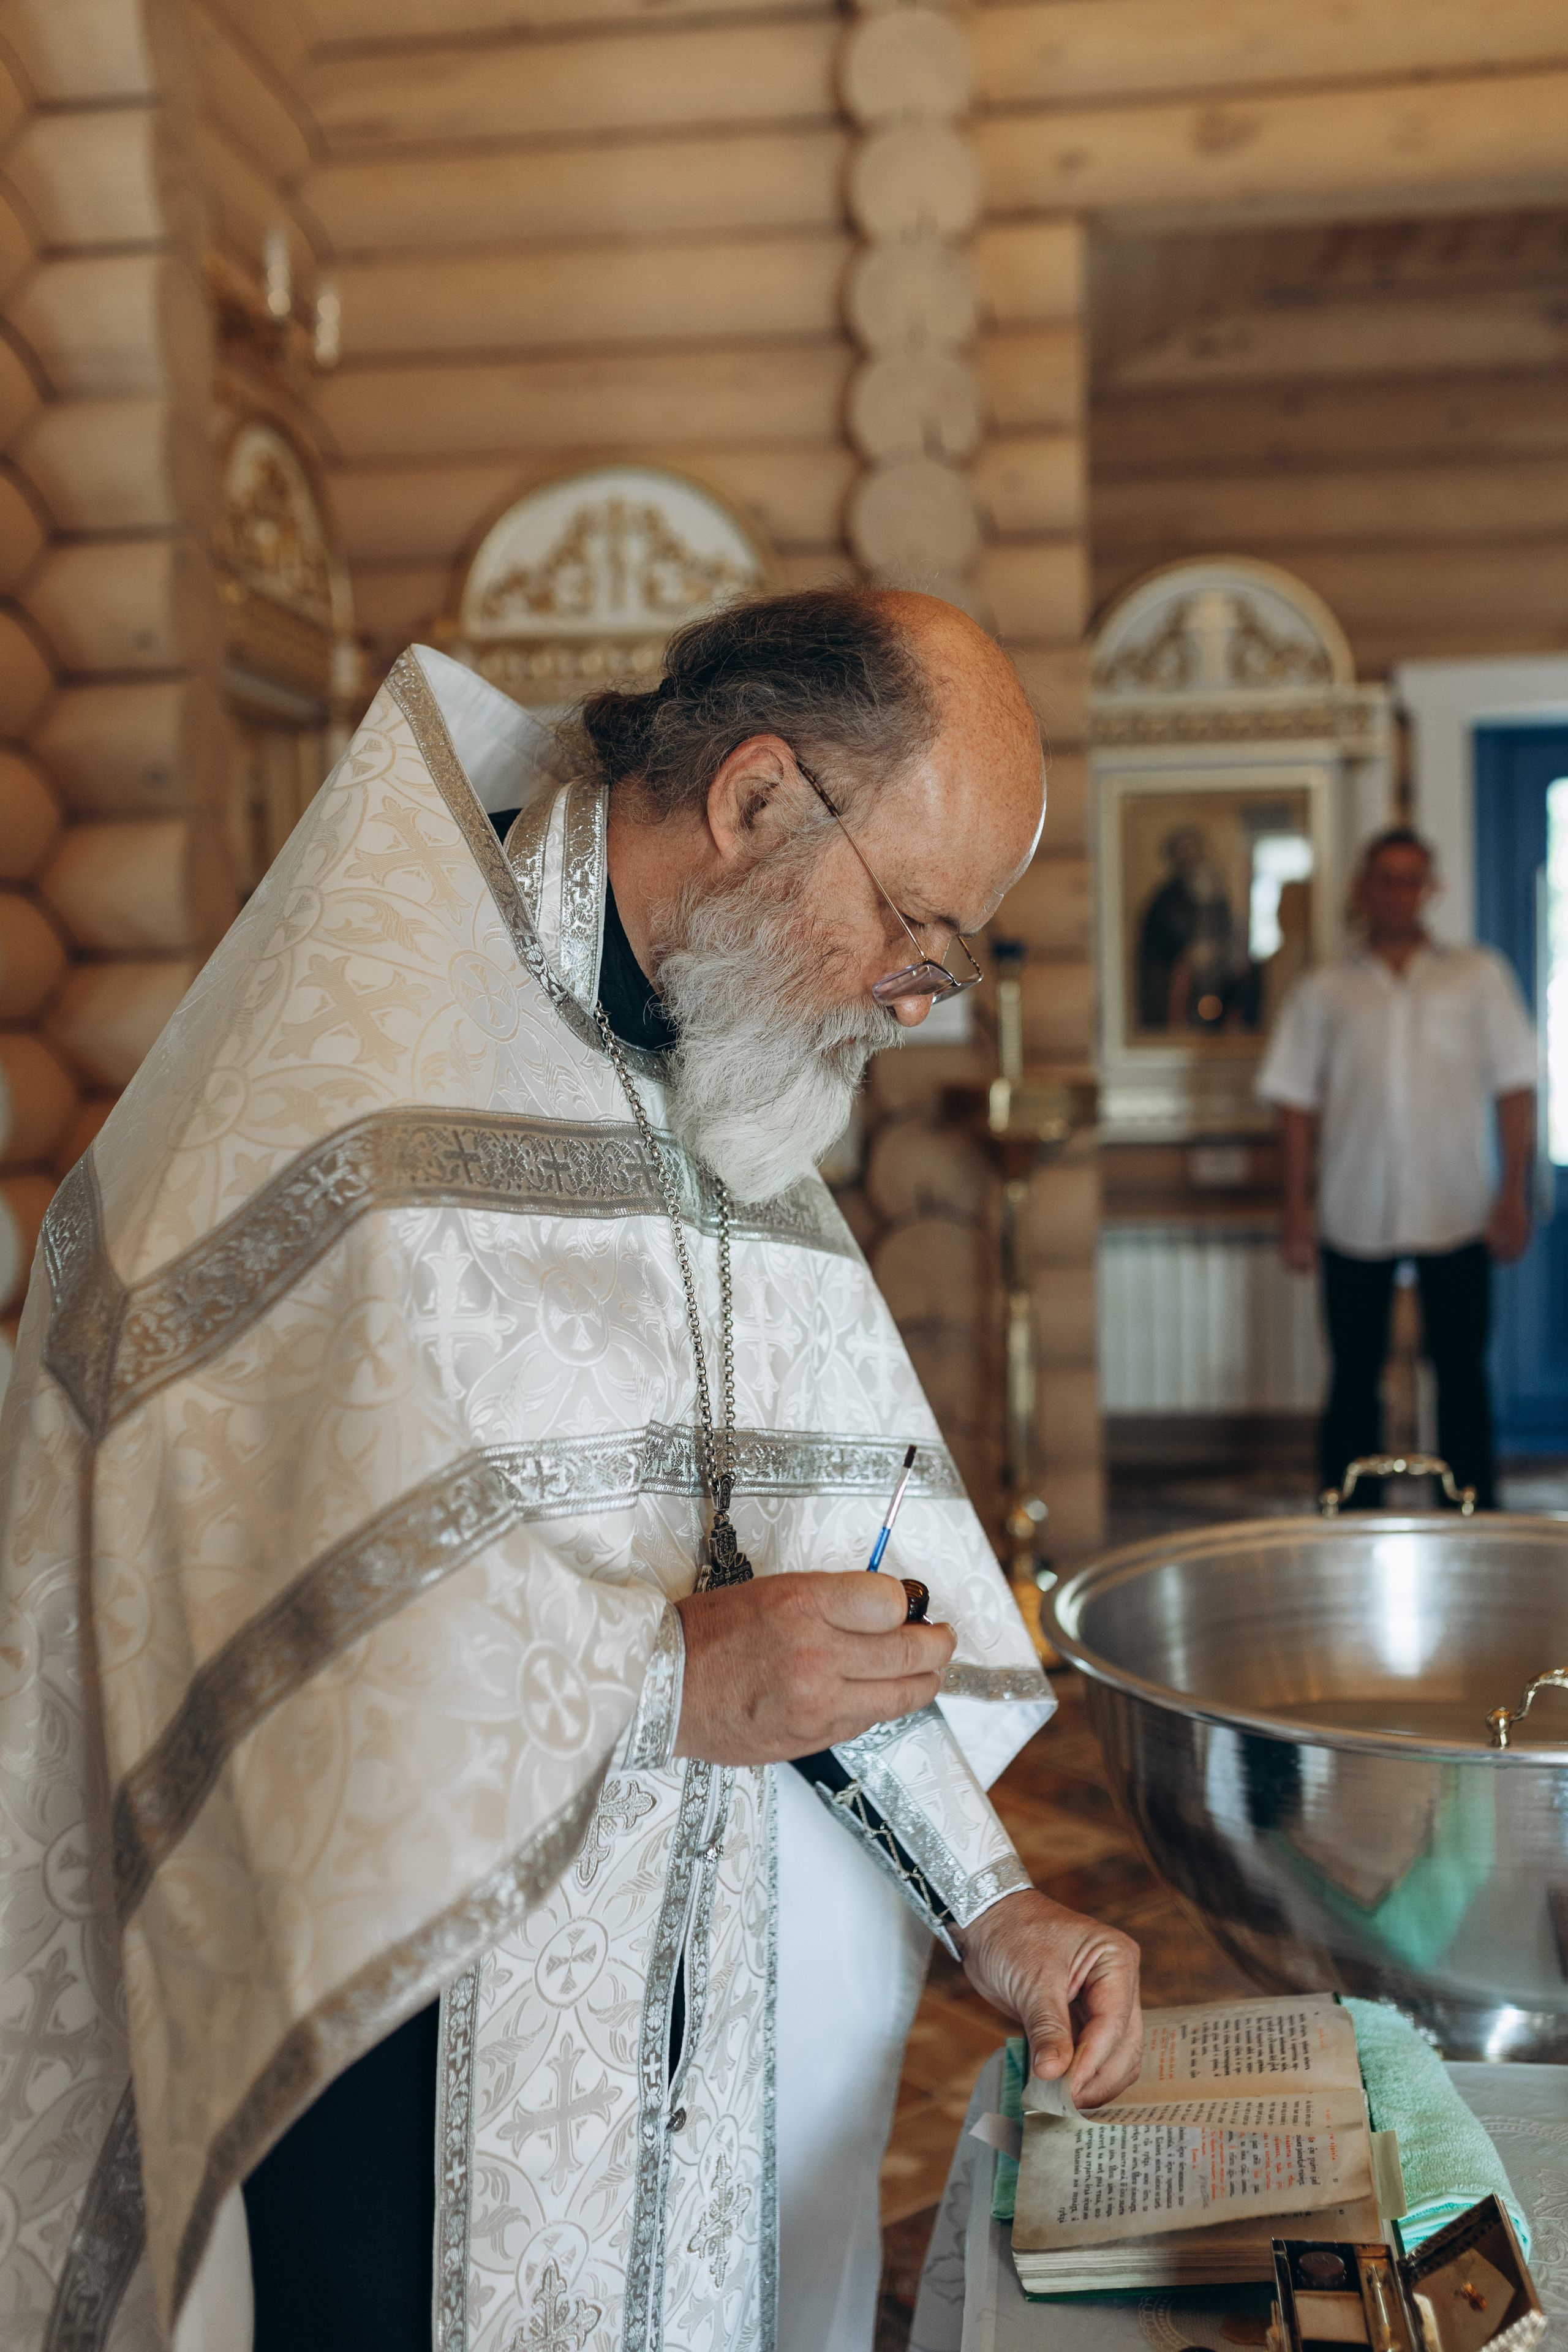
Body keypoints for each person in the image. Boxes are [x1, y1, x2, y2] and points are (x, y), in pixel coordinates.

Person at [0, 590, 1143, 2352]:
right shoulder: (355, 1094)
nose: (919, 1003)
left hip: (688, 2079)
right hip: (393, 2061)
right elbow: (226, 1602)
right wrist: (659, 1678)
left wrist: (995, 1902)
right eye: (918, 925)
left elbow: (836, 1558)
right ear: (758, 803)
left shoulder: (732, 1059)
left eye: (957, 951)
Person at [1258, 824, 1539, 1507]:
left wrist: (1514, 1193)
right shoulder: (1324, 990)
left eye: (1412, 879)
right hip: (1355, 1213)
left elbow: (1515, 1086)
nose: (1399, 892)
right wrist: (1296, 1208)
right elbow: (1294, 1103)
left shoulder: (1479, 977)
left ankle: (1473, 1515)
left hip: (1457, 1211)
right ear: (1364, 889)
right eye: (1386, 878)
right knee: (1354, 1376)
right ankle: (1349, 1514)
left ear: (1430, 890)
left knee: (1462, 1375)